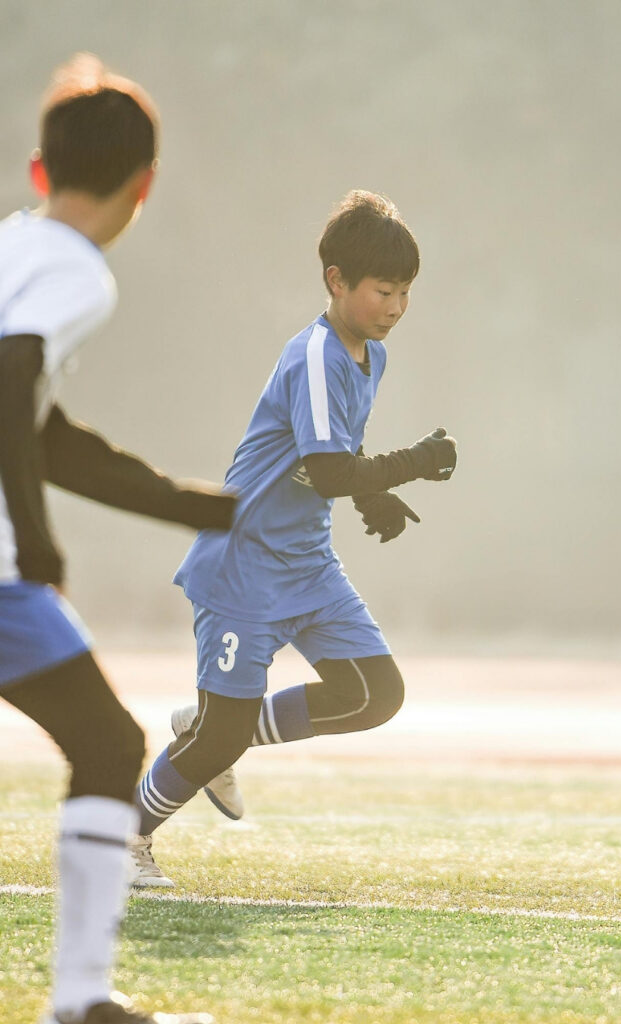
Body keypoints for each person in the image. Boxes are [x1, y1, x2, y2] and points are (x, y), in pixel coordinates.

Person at [130, 190, 457, 886]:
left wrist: (375, 496)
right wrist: (414, 464)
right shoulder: (312, 354)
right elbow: (329, 469)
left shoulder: (370, 356)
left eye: (405, 291)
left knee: (375, 694)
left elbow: (339, 451)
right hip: (243, 566)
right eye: (383, 291)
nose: (396, 306)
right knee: (221, 735)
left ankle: (212, 730)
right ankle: (124, 839)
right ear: (336, 281)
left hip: (307, 566)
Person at [0, 54, 231, 1024]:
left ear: (39, 169)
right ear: (144, 186)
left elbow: (46, 433)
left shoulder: (11, 245)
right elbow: (13, 375)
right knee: (107, 744)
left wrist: (203, 507)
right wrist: (37, 545)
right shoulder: (77, 273)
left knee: (105, 740)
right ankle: (82, 999)